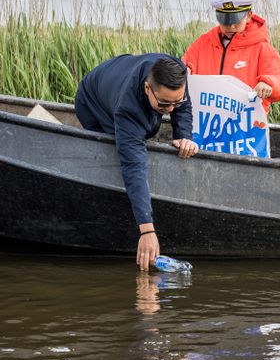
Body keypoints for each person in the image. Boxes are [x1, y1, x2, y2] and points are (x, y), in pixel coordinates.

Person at [74, 54, 198, 270]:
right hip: (92, 100)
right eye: (164, 103)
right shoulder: (127, 110)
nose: (171, 109)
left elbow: (183, 106)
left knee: (158, 117)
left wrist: (183, 135)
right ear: (147, 88)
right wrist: (147, 229)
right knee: (116, 150)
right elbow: (134, 166)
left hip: (121, 75)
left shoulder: (176, 70)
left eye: (175, 102)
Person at [183, 0, 280, 113]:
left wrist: (269, 83)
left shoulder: (262, 48)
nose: (231, 26)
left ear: (249, 15)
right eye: (225, 20)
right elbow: (183, 66)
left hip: (245, 122)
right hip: (206, 121)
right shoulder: (203, 43)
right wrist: (184, 72)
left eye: (236, 20)